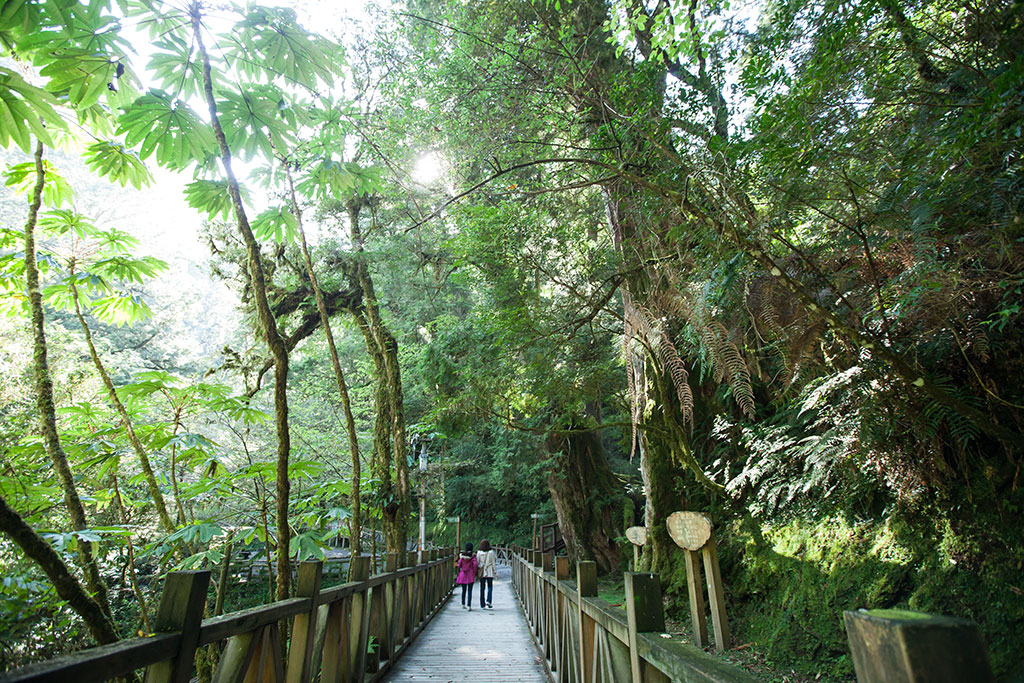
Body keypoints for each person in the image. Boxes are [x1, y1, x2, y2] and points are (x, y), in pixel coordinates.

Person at [456, 542, 478, 610]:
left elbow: (459, 565)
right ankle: (469, 605)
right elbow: (475, 564)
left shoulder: (462, 556)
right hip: (470, 574)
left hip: (463, 574)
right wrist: (474, 572)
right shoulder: (473, 556)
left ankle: (463, 603)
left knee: (464, 590)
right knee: (470, 590)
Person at [476, 539, 497, 609]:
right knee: (490, 587)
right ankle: (489, 601)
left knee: (482, 587)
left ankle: (482, 604)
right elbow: (493, 563)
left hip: (482, 571)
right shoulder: (491, 552)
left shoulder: (479, 553)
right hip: (489, 570)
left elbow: (477, 563)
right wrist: (495, 572)